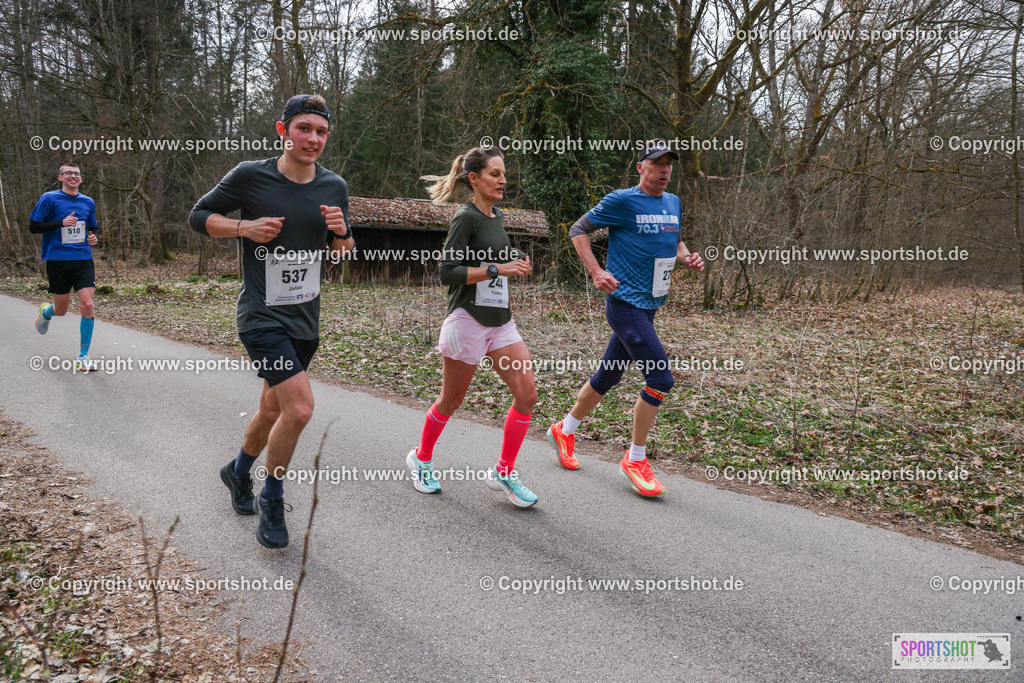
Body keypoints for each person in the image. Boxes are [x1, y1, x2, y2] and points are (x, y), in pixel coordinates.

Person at [188, 94, 354, 548]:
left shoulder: (334, 186)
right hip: (261, 316)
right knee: (299, 409)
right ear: (283, 131)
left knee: (272, 409)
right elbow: (197, 216)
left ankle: (236, 472)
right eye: (304, 128)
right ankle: (272, 496)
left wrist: (341, 233)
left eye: (321, 132)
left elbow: (342, 254)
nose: (313, 139)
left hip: (306, 317)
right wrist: (243, 228)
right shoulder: (249, 176)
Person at [546, 139, 704, 497]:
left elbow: (675, 238)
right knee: (661, 379)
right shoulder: (621, 201)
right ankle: (635, 458)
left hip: (649, 306)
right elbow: (578, 229)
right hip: (625, 304)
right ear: (640, 167)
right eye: (657, 163)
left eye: (669, 164)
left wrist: (686, 256)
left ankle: (564, 430)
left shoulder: (673, 202)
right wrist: (596, 271)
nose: (664, 170)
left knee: (610, 373)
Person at [406, 146, 539, 507]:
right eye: (495, 174)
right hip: (468, 321)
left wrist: (514, 261)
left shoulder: (496, 216)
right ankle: (421, 458)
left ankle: (504, 471)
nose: (503, 180)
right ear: (474, 179)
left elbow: (493, 259)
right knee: (451, 400)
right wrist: (498, 269)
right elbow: (447, 272)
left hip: (501, 322)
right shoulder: (465, 218)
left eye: (504, 173)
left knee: (527, 395)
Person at [30, 162, 100, 372]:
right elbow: (33, 227)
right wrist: (60, 223)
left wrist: (95, 237)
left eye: (76, 173)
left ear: (80, 178)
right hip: (58, 260)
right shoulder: (49, 198)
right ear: (60, 177)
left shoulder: (88, 202)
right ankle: (47, 312)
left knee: (87, 305)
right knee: (61, 310)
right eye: (68, 173)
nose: (73, 176)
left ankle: (83, 356)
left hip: (82, 259)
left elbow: (94, 227)